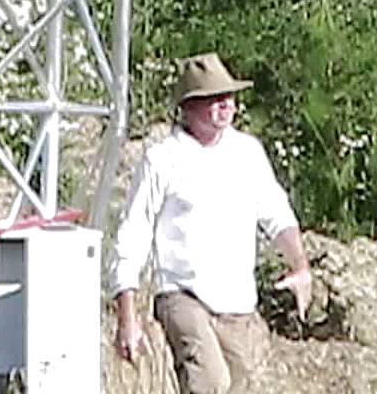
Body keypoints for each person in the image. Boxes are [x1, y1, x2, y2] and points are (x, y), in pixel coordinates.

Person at [108, 52, 313, 394]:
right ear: (188, 107)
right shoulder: (163, 159)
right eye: (212, 99)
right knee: (210, 382)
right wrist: (127, 317)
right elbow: (133, 234)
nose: (224, 106)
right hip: (182, 294)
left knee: (241, 384)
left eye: (228, 97)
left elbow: (277, 213)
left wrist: (300, 265)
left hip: (236, 302)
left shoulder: (247, 152)